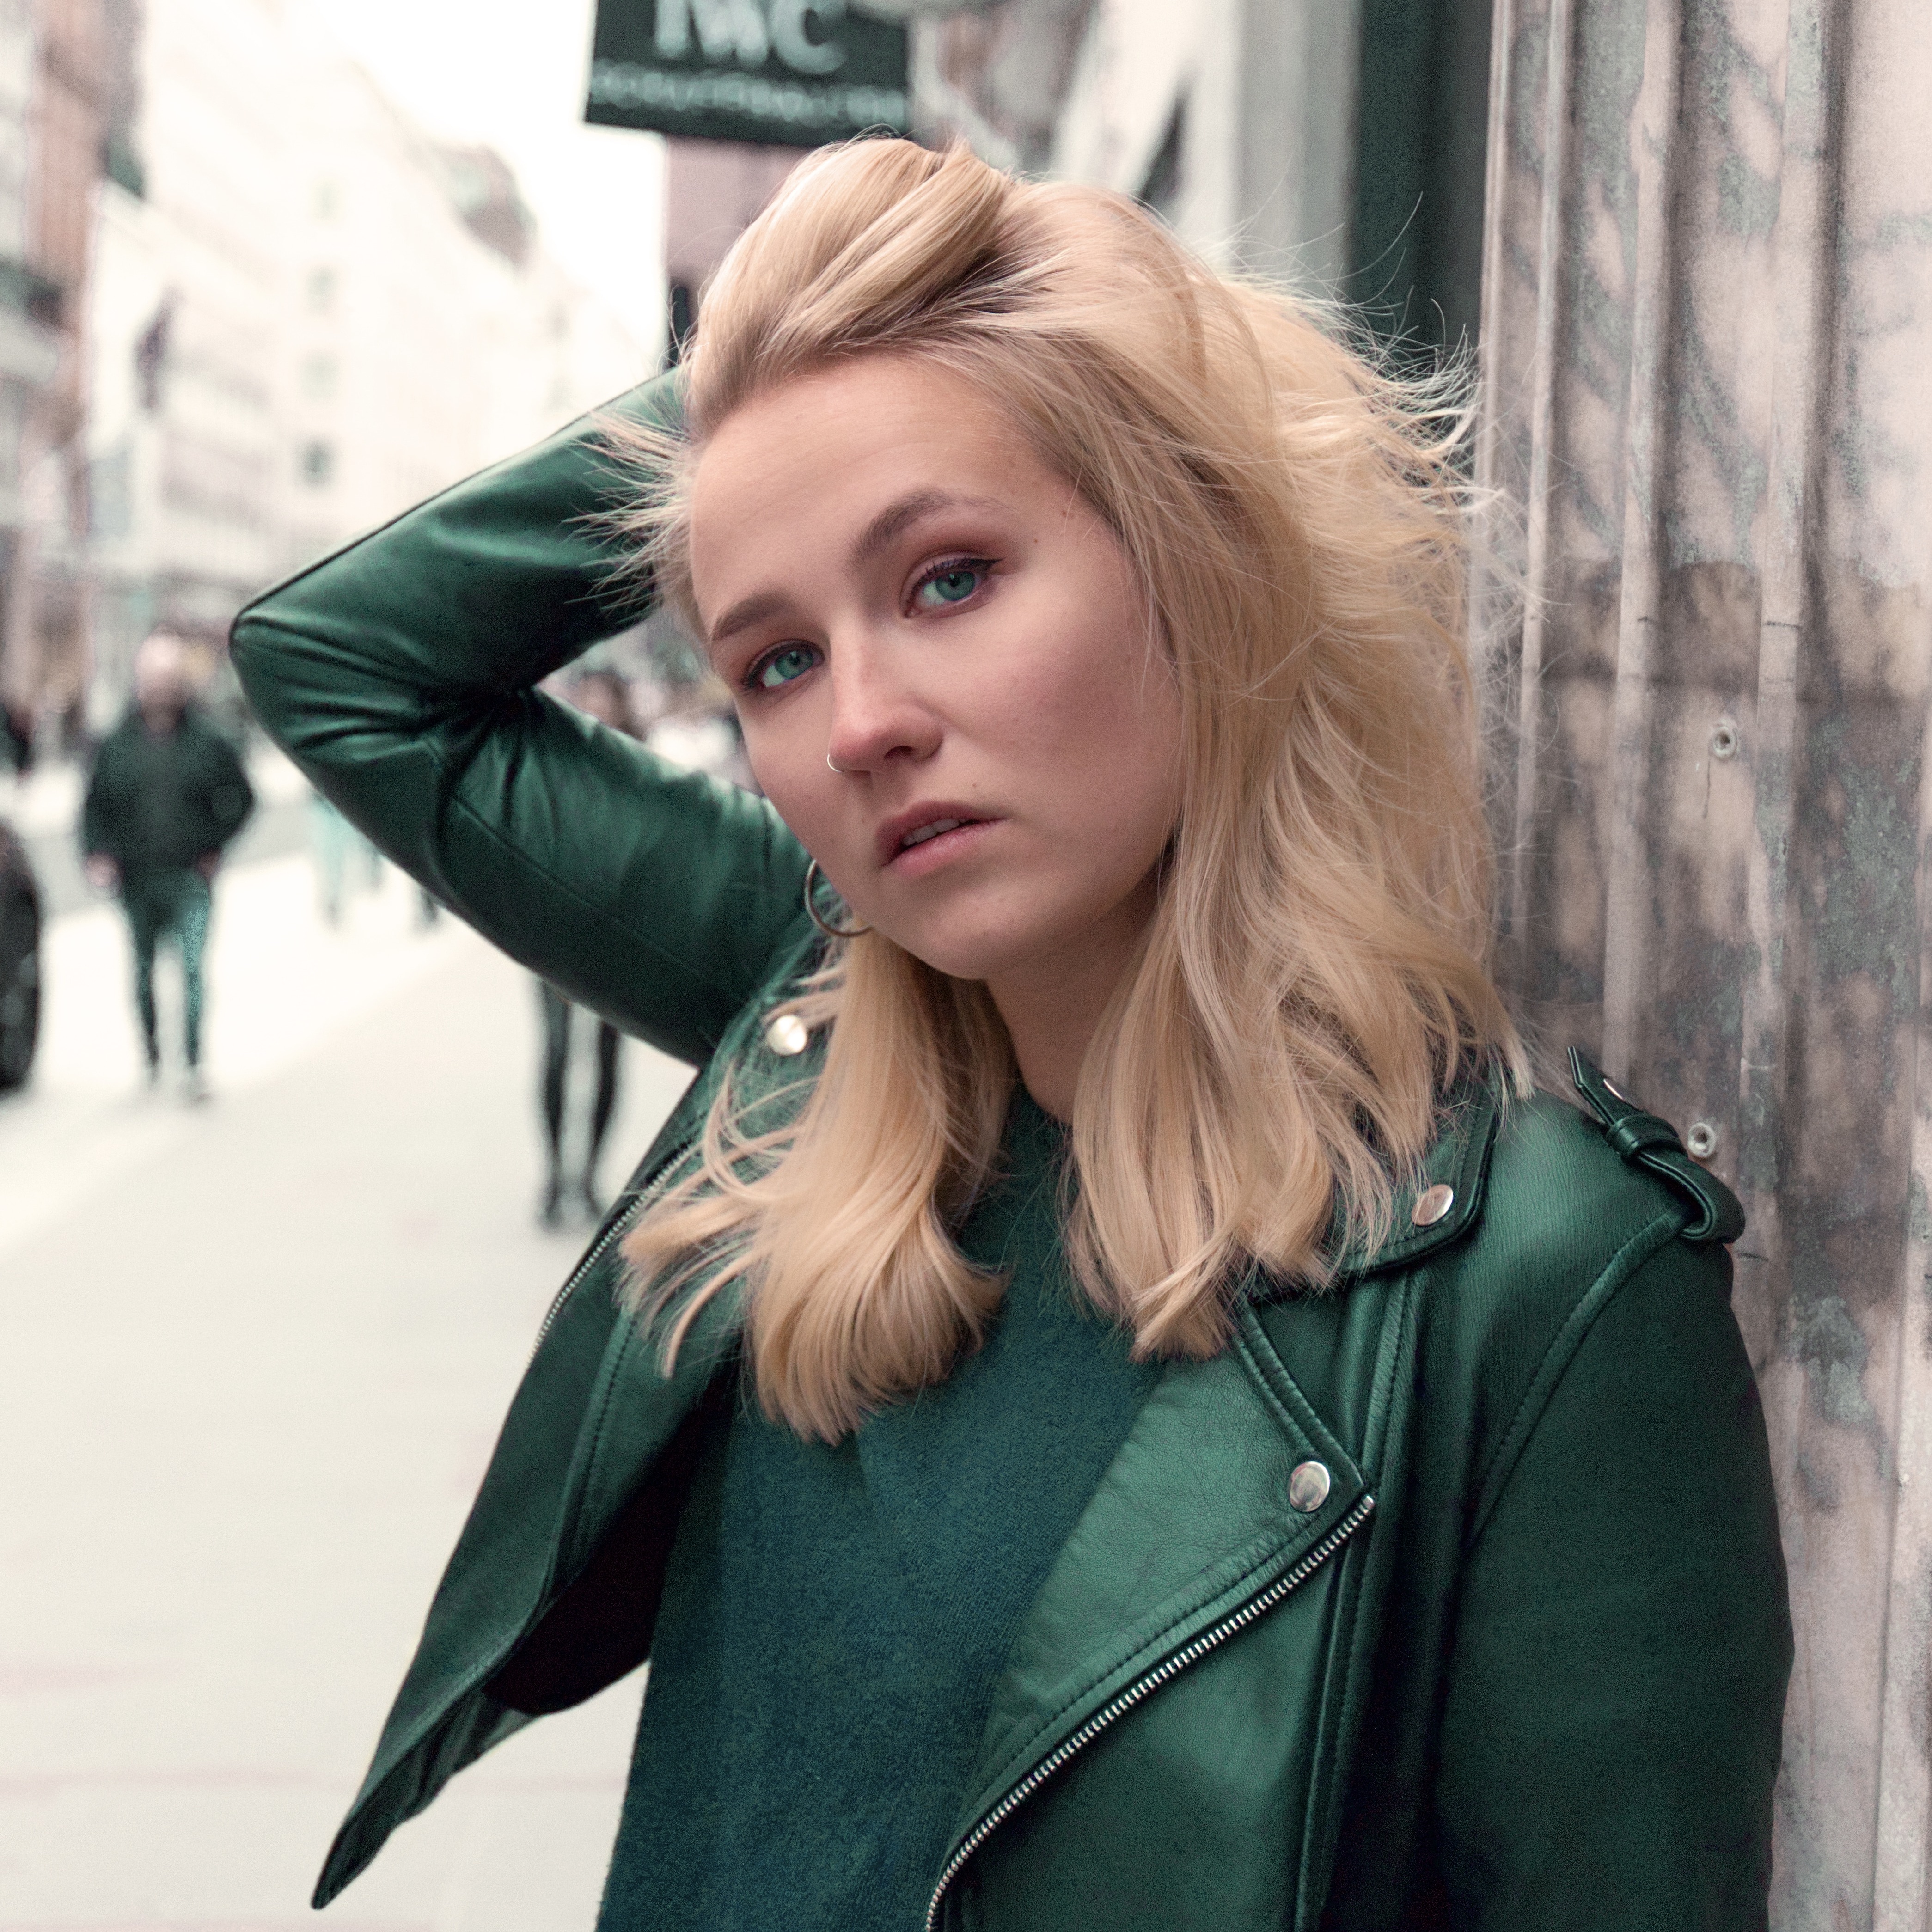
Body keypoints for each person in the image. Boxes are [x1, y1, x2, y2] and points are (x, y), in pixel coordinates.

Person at [231, 143, 1790, 1931]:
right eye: (775, 662)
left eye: (951, 577)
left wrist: (962, 322)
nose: (866, 725)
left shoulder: (1551, 1285)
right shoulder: (802, 1024)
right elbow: (339, 665)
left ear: (1195, 563)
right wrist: (777, 384)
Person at [83, 630, 253, 1099]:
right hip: (136, 878)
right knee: (141, 973)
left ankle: (194, 1063)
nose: (159, 687)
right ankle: (152, 1057)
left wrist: (215, 846)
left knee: (194, 970)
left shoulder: (209, 740)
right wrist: (98, 855)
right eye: (151, 677)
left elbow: (242, 798)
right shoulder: (116, 742)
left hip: (189, 876)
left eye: (168, 677)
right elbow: (93, 806)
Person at [536, 666, 636, 1227]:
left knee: (605, 1060)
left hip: (619, 937)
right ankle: (554, 1174)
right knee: (554, 1055)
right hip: (552, 933)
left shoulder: (640, 769)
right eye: (588, 701)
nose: (597, 711)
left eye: (607, 701)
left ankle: (592, 1176)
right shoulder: (555, 762)